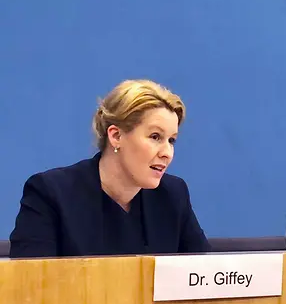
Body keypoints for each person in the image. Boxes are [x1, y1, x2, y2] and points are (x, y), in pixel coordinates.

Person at [9, 79, 211, 258]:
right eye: (155, 137)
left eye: (172, 140)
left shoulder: (173, 196)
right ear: (116, 136)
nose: (167, 152)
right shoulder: (51, 194)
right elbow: (30, 288)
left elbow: (208, 278)